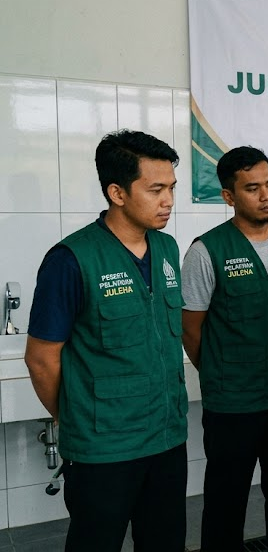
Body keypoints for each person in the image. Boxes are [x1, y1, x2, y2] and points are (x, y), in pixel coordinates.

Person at [24, 129, 187, 551]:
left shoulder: (167, 249)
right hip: (104, 450)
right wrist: (77, 416)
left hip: (166, 439)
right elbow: (41, 359)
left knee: (164, 542)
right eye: (155, 190)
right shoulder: (71, 259)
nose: (168, 200)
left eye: (171, 188)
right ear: (116, 191)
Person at [181, 146, 268, 552]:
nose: (266, 195)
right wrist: (222, 374)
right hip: (233, 405)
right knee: (226, 501)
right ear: (229, 197)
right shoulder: (207, 251)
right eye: (252, 188)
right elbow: (190, 330)